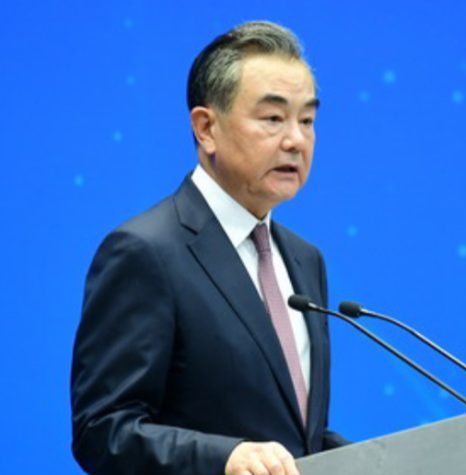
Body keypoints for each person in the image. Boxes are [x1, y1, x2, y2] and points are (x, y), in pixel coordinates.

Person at [71, 21, 347, 475]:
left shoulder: (305, 259)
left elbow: (297, 437)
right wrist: (226, 458)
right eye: (273, 118)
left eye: (307, 120)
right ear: (206, 129)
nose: (296, 140)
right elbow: (103, 430)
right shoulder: (145, 252)